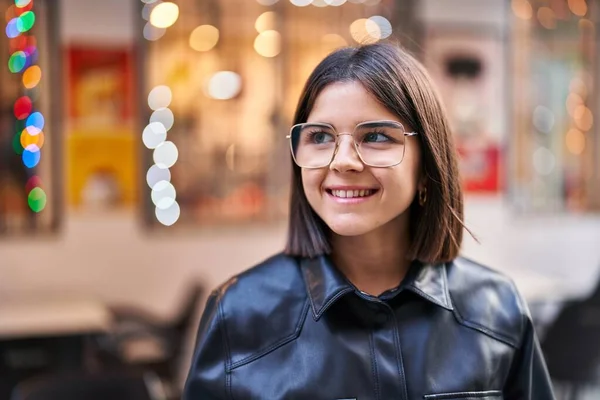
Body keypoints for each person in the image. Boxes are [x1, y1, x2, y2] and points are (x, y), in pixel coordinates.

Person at [183, 43, 555, 400]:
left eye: (375, 136)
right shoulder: (239, 312)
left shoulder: (497, 307)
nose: (343, 160)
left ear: (427, 164)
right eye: (321, 136)